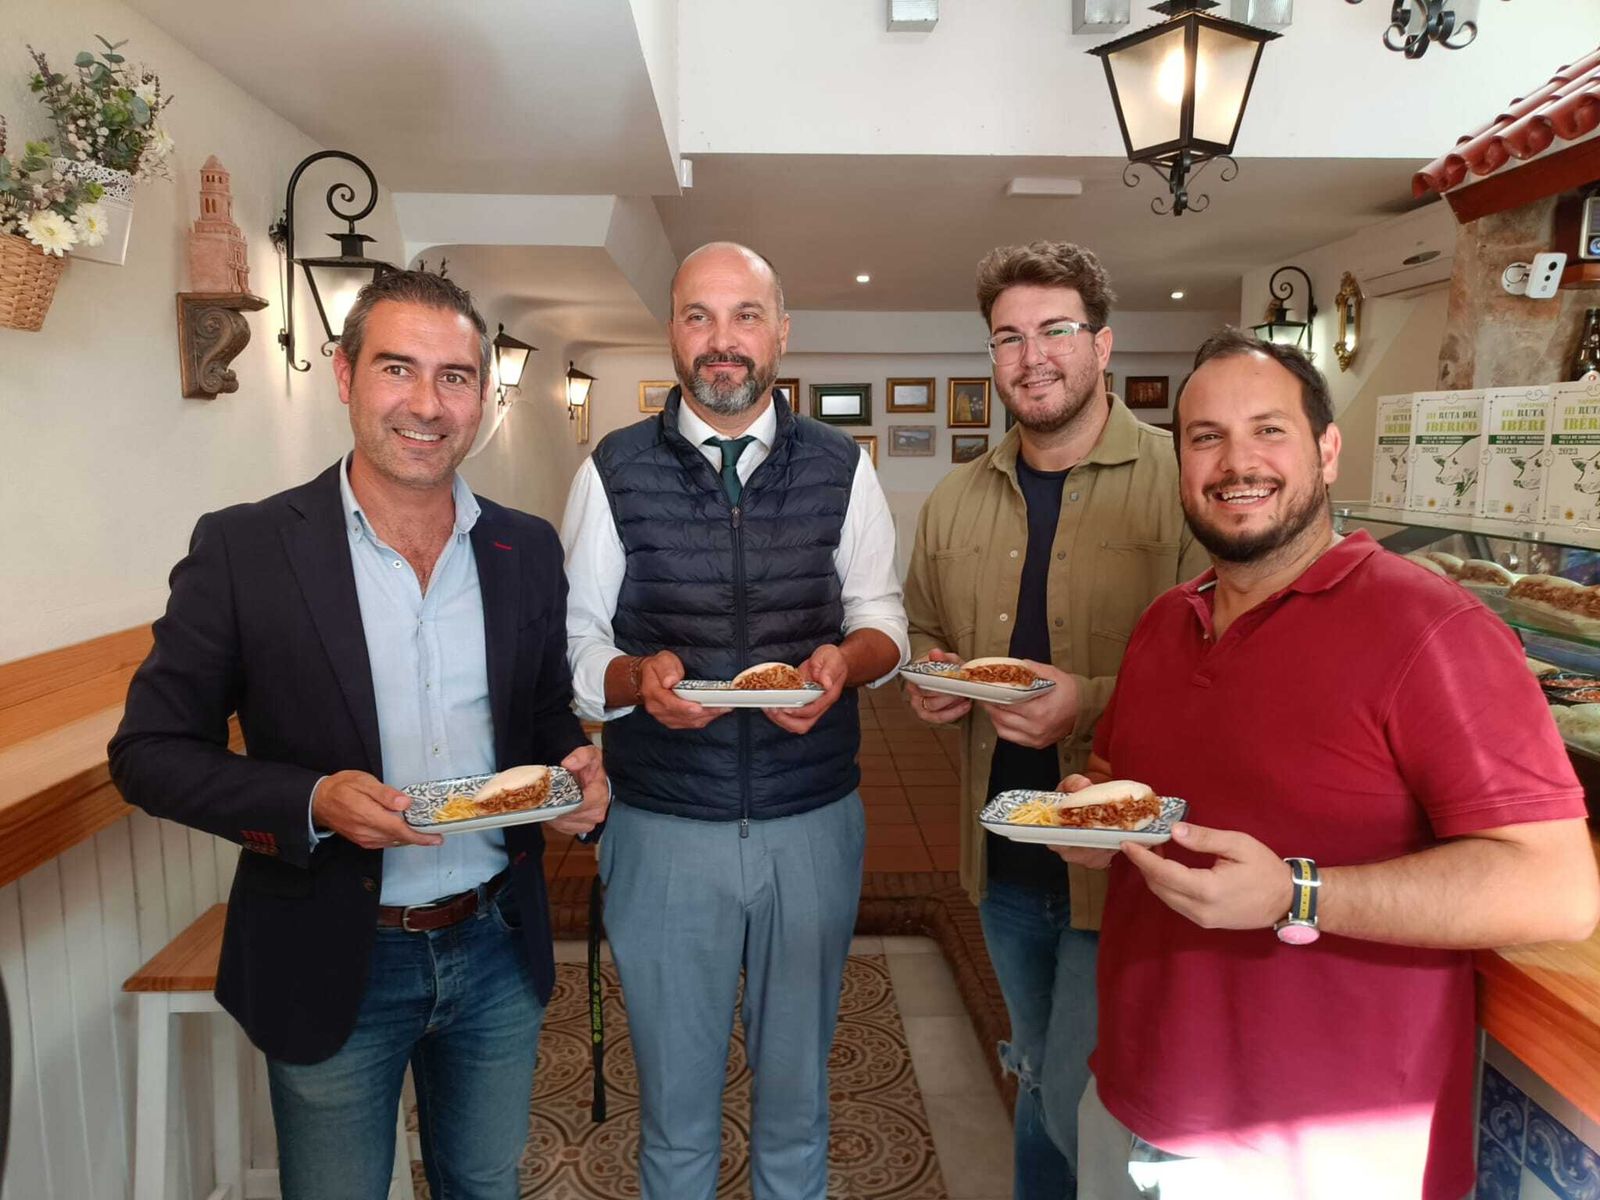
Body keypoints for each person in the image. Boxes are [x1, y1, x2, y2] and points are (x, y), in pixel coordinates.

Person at [1061, 329, 1600, 1200]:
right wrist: (1093, 823)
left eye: (1269, 430)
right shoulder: (1167, 621)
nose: (1238, 462)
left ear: (1327, 451)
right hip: (1137, 1094)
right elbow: (1121, 776)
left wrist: (1298, 894)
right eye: (1206, 437)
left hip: (1319, 1151)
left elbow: (1558, 890)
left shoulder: (1433, 629)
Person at [109, 270, 609, 1200]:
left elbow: (540, 713)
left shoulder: (526, 547)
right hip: (333, 949)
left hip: (497, 942)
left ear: (483, 398)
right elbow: (147, 754)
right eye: (397, 369)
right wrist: (309, 801)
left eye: (457, 377)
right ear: (344, 376)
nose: (427, 405)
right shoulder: (246, 550)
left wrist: (576, 777)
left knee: (484, 1185)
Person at [560, 241, 908, 1200]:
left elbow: (884, 623)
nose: (723, 342)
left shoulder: (844, 467)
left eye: (745, 316)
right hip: (665, 829)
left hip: (812, 824)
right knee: (675, 1113)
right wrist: (636, 677)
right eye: (699, 317)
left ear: (781, 333)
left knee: (798, 1102)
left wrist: (846, 664)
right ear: (671, 331)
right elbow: (575, 648)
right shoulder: (612, 471)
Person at [902, 240, 1207, 1197]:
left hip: (1132, 868)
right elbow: (926, 632)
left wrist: (1092, 701)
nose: (1032, 357)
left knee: (1086, 1094)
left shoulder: (1183, 482)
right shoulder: (956, 499)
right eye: (1008, 338)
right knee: (1037, 1069)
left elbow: (1232, 667)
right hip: (1001, 858)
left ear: (1103, 344)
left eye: (1055, 331)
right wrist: (934, 682)